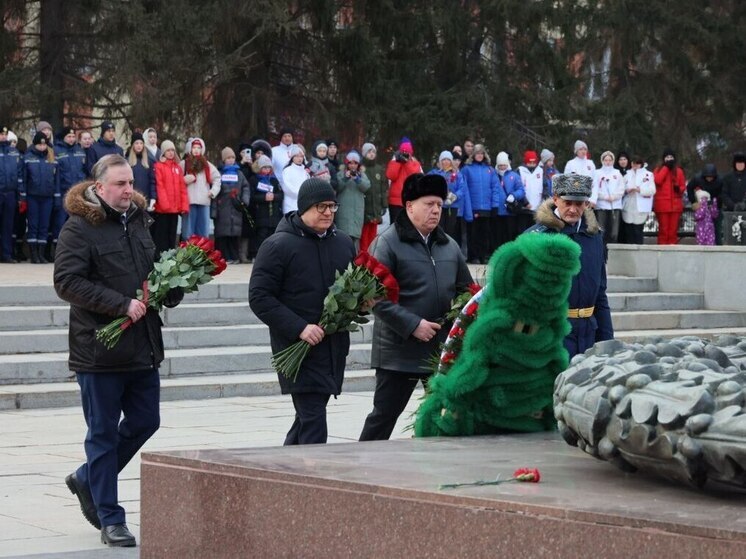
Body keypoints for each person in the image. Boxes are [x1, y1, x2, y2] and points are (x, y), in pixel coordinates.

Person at [54, 154, 183, 548]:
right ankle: (111, 517)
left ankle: (87, 478)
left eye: (131, 183)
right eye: (121, 184)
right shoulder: (80, 228)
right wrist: (120, 304)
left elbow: (152, 270)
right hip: (100, 351)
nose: (129, 190)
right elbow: (67, 282)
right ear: (99, 187)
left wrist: (173, 284)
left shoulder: (142, 222)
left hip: (142, 347)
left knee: (146, 421)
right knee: (104, 434)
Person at [359, 173, 472, 441]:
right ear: (409, 206)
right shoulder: (386, 243)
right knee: (384, 416)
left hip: (441, 350)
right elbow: (374, 297)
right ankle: (361, 465)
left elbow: (465, 291)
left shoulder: (449, 246)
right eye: (429, 204)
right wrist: (413, 325)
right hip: (399, 352)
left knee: (445, 414)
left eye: (439, 205)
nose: (435, 211)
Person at [249, 178, 356, 445]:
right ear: (304, 208)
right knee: (313, 419)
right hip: (297, 350)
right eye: (322, 207)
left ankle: (285, 475)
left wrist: (361, 303)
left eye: (332, 206)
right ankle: (313, 480)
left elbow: (354, 285)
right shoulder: (277, 246)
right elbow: (260, 297)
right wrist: (300, 327)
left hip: (332, 345)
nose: (329, 212)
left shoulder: (343, 243)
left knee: (307, 417)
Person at [526, 174, 613, 357]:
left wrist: (607, 341)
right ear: (556, 199)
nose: (573, 209)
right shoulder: (537, 237)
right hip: (553, 335)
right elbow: (526, 297)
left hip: (589, 335)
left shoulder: (594, 236)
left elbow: (600, 293)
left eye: (579, 204)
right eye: (568, 202)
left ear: (587, 204)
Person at [20, 132, 60, 263]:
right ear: (35, 144)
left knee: (44, 225)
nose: (42, 147)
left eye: (44, 144)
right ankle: (34, 254)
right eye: (40, 144)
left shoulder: (52, 158)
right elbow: (24, 179)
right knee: (33, 225)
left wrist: (57, 197)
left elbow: (56, 180)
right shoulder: (28, 158)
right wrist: (23, 197)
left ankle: (41, 254)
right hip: (33, 196)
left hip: (47, 197)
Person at [53, 127, 87, 255]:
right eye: (69, 137)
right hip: (63, 191)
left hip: (78, 192)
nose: (71, 139)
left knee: (78, 222)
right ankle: (59, 250)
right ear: (64, 138)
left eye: (73, 137)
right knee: (61, 222)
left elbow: (84, 170)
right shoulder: (57, 151)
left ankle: (77, 249)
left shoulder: (80, 151)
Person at [461, 144, 498, 263]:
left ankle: (483, 255)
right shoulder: (467, 169)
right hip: (473, 207)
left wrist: (495, 205)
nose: (479, 156)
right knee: (473, 233)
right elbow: (464, 188)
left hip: (486, 207)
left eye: (481, 153)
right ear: (473, 155)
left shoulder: (490, 170)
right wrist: (467, 207)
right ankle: (473, 256)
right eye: (477, 153)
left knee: (485, 233)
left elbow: (495, 187)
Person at [213, 147, 250, 263]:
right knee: (223, 234)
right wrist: (214, 211)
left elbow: (246, 187)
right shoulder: (219, 173)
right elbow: (215, 190)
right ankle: (224, 257)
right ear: (224, 160)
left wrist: (244, 201)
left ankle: (234, 256)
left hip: (236, 207)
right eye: (228, 158)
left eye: (233, 157)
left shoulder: (239, 173)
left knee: (235, 234)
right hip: (223, 207)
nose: (231, 160)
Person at [151, 140, 188, 256]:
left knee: (172, 235)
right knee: (162, 236)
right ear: (163, 152)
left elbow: (182, 188)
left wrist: (184, 206)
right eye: (168, 150)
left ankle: (171, 259)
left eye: (172, 150)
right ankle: (160, 258)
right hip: (163, 210)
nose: (171, 153)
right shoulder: (159, 167)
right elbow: (160, 187)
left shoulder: (177, 168)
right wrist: (165, 205)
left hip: (175, 210)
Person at [180, 137, 220, 239]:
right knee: (188, 233)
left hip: (204, 202)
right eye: (194, 147)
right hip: (189, 202)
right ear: (190, 149)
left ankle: (202, 254)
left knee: (203, 234)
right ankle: (188, 254)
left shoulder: (207, 165)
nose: (196, 150)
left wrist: (213, 191)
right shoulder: (184, 164)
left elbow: (217, 178)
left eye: (199, 147)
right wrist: (184, 180)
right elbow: (176, 181)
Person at [428, 150, 470, 243]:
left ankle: (449, 249)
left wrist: (454, 196)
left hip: (452, 206)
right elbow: (428, 184)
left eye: (448, 159)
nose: (446, 162)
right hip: (439, 206)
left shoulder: (457, 174)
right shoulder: (435, 173)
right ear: (440, 161)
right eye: (444, 160)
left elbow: (462, 188)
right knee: (439, 228)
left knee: (451, 230)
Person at [335, 149, 371, 246]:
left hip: (356, 211)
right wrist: (345, 178)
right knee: (342, 237)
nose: (352, 165)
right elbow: (337, 187)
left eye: (355, 163)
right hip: (343, 211)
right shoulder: (340, 174)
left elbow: (366, 186)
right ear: (347, 164)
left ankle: (354, 260)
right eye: (350, 163)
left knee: (355, 240)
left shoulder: (362, 175)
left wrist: (357, 179)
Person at [248, 154, 284, 253]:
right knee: (261, 235)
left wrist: (274, 197)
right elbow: (252, 197)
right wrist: (264, 198)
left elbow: (281, 194)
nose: (267, 169)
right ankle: (260, 253)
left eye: (269, 167)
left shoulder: (274, 179)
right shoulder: (254, 180)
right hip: (261, 214)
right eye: (264, 167)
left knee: (273, 235)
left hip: (274, 214)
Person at [359, 142, 388, 252]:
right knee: (364, 235)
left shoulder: (379, 169)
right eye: (369, 152)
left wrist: (384, 204)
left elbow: (383, 188)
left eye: (373, 152)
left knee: (373, 234)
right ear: (364, 154)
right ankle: (363, 256)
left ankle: (371, 256)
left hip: (376, 206)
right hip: (365, 206)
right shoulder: (361, 168)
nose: (371, 154)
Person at [653, 148, 686, 245]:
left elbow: (683, 186)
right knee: (663, 230)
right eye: (667, 157)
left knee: (673, 231)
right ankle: (662, 249)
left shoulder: (679, 171)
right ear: (663, 159)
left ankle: (672, 249)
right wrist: (666, 168)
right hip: (662, 205)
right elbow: (658, 180)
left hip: (675, 206)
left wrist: (678, 189)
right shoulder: (658, 169)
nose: (669, 159)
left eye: (671, 157)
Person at [0, 125, 23, 263]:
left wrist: (20, 195)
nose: (3, 137)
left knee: (8, 225)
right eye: (1, 134)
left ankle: (7, 254)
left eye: (5, 134)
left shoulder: (14, 152)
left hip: (10, 193)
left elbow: (19, 174)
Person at [386, 136, 423, 222]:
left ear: (411, 153)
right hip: (395, 202)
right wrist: (397, 162)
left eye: (407, 152)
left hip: (410, 201)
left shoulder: (415, 163)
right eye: (403, 152)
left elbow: (415, 176)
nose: (405, 154)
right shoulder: (394, 162)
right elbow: (391, 176)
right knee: (395, 227)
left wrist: (407, 163)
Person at [493, 150, 525, 249]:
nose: (502, 167)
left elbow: (521, 190)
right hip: (497, 211)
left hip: (510, 211)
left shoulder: (514, 176)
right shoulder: (493, 175)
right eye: (500, 165)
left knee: (509, 235)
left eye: (504, 165)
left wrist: (514, 195)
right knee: (498, 235)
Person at [592, 151, 625, 244]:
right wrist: (604, 197)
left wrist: (614, 197)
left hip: (615, 205)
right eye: (606, 160)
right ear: (602, 161)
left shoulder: (617, 173)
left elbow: (621, 188)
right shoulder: (597, 173)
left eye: (610, 160)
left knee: (614, 231)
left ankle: (613, 249)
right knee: (602, 229)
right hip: (601, 206)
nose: (608, 162)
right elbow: (594, 188)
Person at [621, 155, 655, 244]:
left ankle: (639, 251)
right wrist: (626, 190)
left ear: (641, 164)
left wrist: (640, 190)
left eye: (637, 164)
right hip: (628, 205)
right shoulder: (627, 175)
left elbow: (652, 190)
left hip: (641, 206)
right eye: (633, 163)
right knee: (629, 231)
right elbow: (621, 188)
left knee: (638, 231)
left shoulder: (648, 175)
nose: (635, 165)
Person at [686, 164, 723, 244]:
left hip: (715, 205)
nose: (709, 179)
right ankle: (702, 245)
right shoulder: (697, 178)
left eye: (711, 177)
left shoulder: (720, 180)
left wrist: (717, 203)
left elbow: (723, 192)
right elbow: (689, 188)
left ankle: (718, 247)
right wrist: (693, 202)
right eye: (707, 177)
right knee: (702, 229)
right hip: (702, 206)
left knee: (717, 229)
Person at [516, 150, 544, 232]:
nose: (532, 165)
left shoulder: (541, 171)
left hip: (537, 208)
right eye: (529, 163)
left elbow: (545, 187)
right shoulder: (520, 171)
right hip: (524, 208)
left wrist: (544, 201)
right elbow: (518, 188)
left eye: (533, 162)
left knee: (536, 231)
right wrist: (525, 202)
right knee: (523, 231)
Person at [126, 132, 156, 207]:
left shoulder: (149, 161)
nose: (139, 145)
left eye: (141, 143)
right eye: (136, 143)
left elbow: (152, 181)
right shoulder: (126, 162)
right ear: (132, 145)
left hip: (146, 199)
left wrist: (153, 197)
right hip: (132, 199)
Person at [281, 144, 309, 215]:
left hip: (304, 204)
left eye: (301, 156)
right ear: (292, 157)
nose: (299, 159)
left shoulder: (305, 171)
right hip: (290, 205)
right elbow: (287, 187)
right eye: (297, 156)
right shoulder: (287, 170)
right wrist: (301, 194)